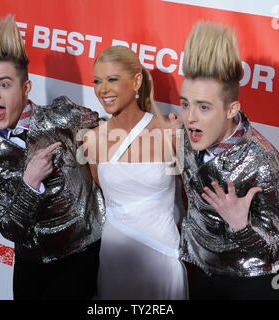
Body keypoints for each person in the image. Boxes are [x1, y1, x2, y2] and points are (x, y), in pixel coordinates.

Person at [0, 15, 105, 300]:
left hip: (81, 258)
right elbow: (9, 228)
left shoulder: (63, 116)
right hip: (30, 266)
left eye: (4, 84)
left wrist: (159, 128)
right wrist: (30, 182)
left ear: (25, 88)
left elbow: (116, 132)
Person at [178, 21, 279, 299]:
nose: (190, 116)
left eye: (204, 107)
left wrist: (241, 225)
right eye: (185, 104)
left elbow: (276, 247)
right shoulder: (186, 136)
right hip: (203, 273)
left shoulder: (265, 162)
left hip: (253, 284)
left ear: (231, 109)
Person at [84, 45, 188, 299]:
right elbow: (103, 191)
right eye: (97, 81)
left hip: (162, 256)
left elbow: (193, 195)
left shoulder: (169, 133)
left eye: (112, 79)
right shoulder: (92, 140)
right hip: (115, 258)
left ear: (136, 81)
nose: (103, 89)